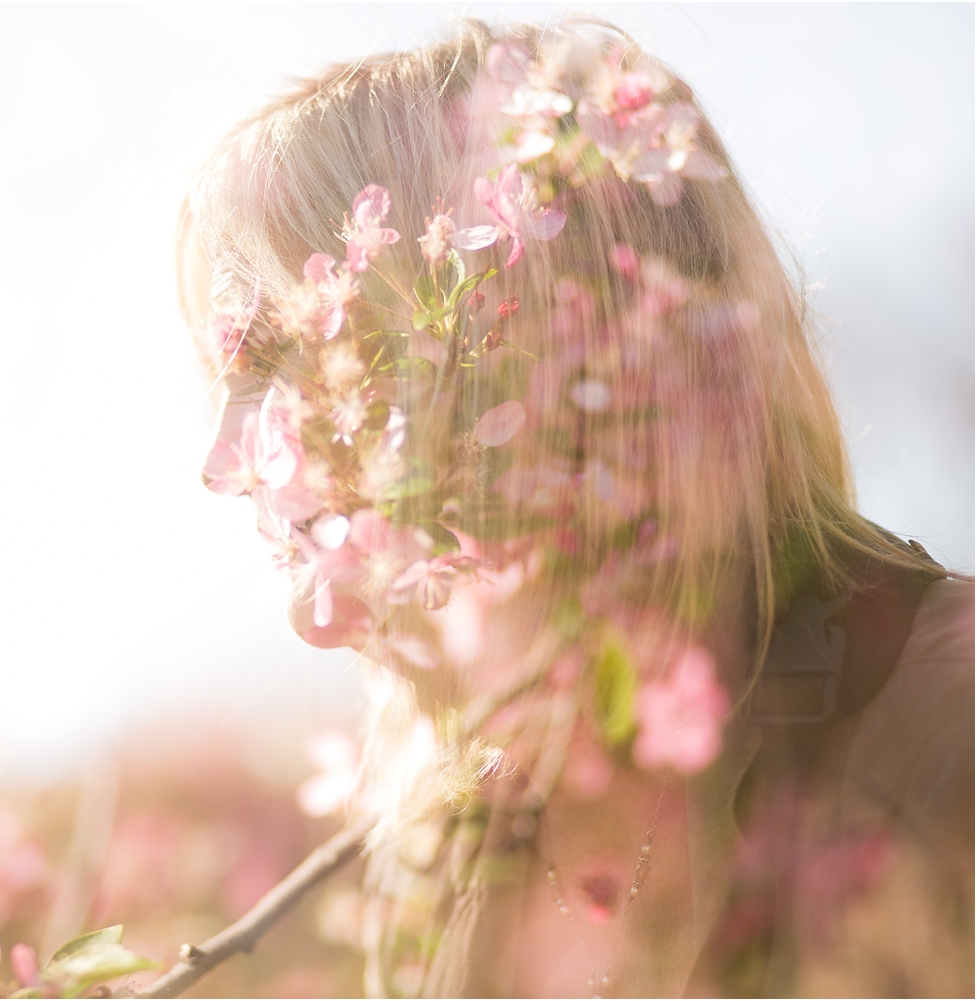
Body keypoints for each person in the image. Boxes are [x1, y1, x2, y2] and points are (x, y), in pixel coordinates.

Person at [177, 18, 973, 999]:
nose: (223, 459)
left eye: (282, 359)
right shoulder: (452, 857)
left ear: (510, 346)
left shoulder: (950, 724)